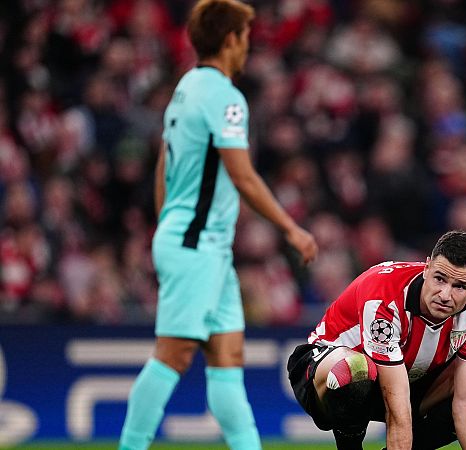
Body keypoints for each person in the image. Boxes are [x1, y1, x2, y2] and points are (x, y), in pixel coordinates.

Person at [119, 1, 318, 449]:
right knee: (173, 355)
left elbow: (162, 163)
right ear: (230, 39)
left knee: (228, 360)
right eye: (245, 36)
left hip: (202, 245)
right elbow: (242, 174)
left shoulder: (186, 87)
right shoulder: (225, 97)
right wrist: (291, 228)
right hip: (196, 245)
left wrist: (165, 222)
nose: (248, 46)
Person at [287, 230, 466, 450]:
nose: (445, 295)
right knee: (356, 369)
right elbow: (396, 406)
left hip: (409, 380)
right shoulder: (384, 294)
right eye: (440, 279)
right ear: (426, 268)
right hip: (327, 375)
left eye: (460, 286)